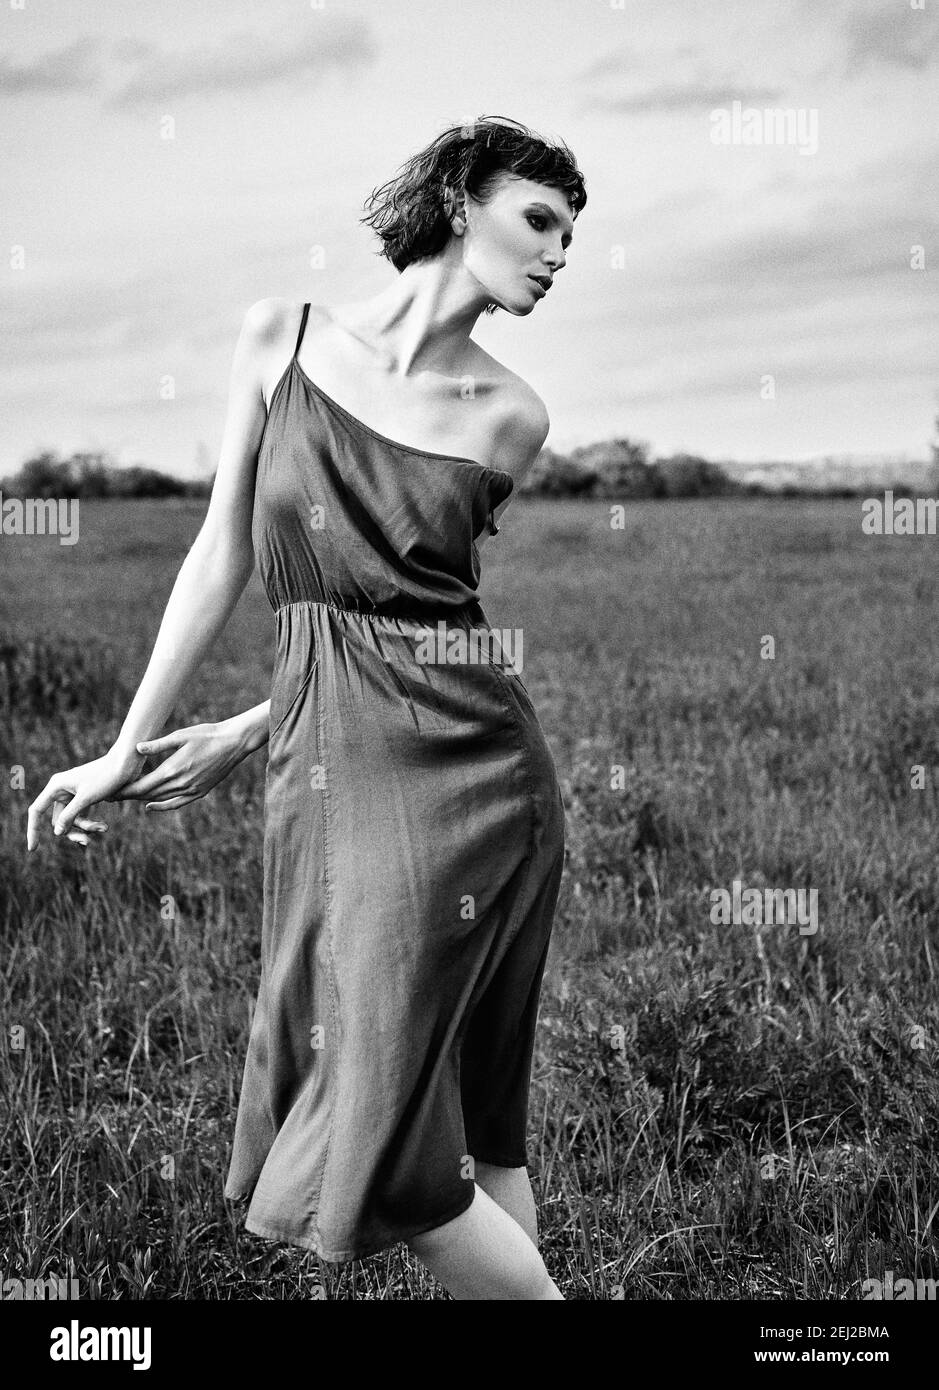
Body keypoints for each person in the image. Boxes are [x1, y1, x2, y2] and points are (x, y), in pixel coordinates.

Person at [26, 116, 587, 1300]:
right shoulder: (278, 339)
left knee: (426, 1132)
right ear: (456, 199)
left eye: (572, 236)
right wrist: (142, 744)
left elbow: (404, 622)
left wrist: (265, 721)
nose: (559, 250)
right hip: (325, 770)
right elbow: (225, 557)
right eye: (540, 218)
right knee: (454, 1120)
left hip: (476, 778)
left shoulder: (511, 415)